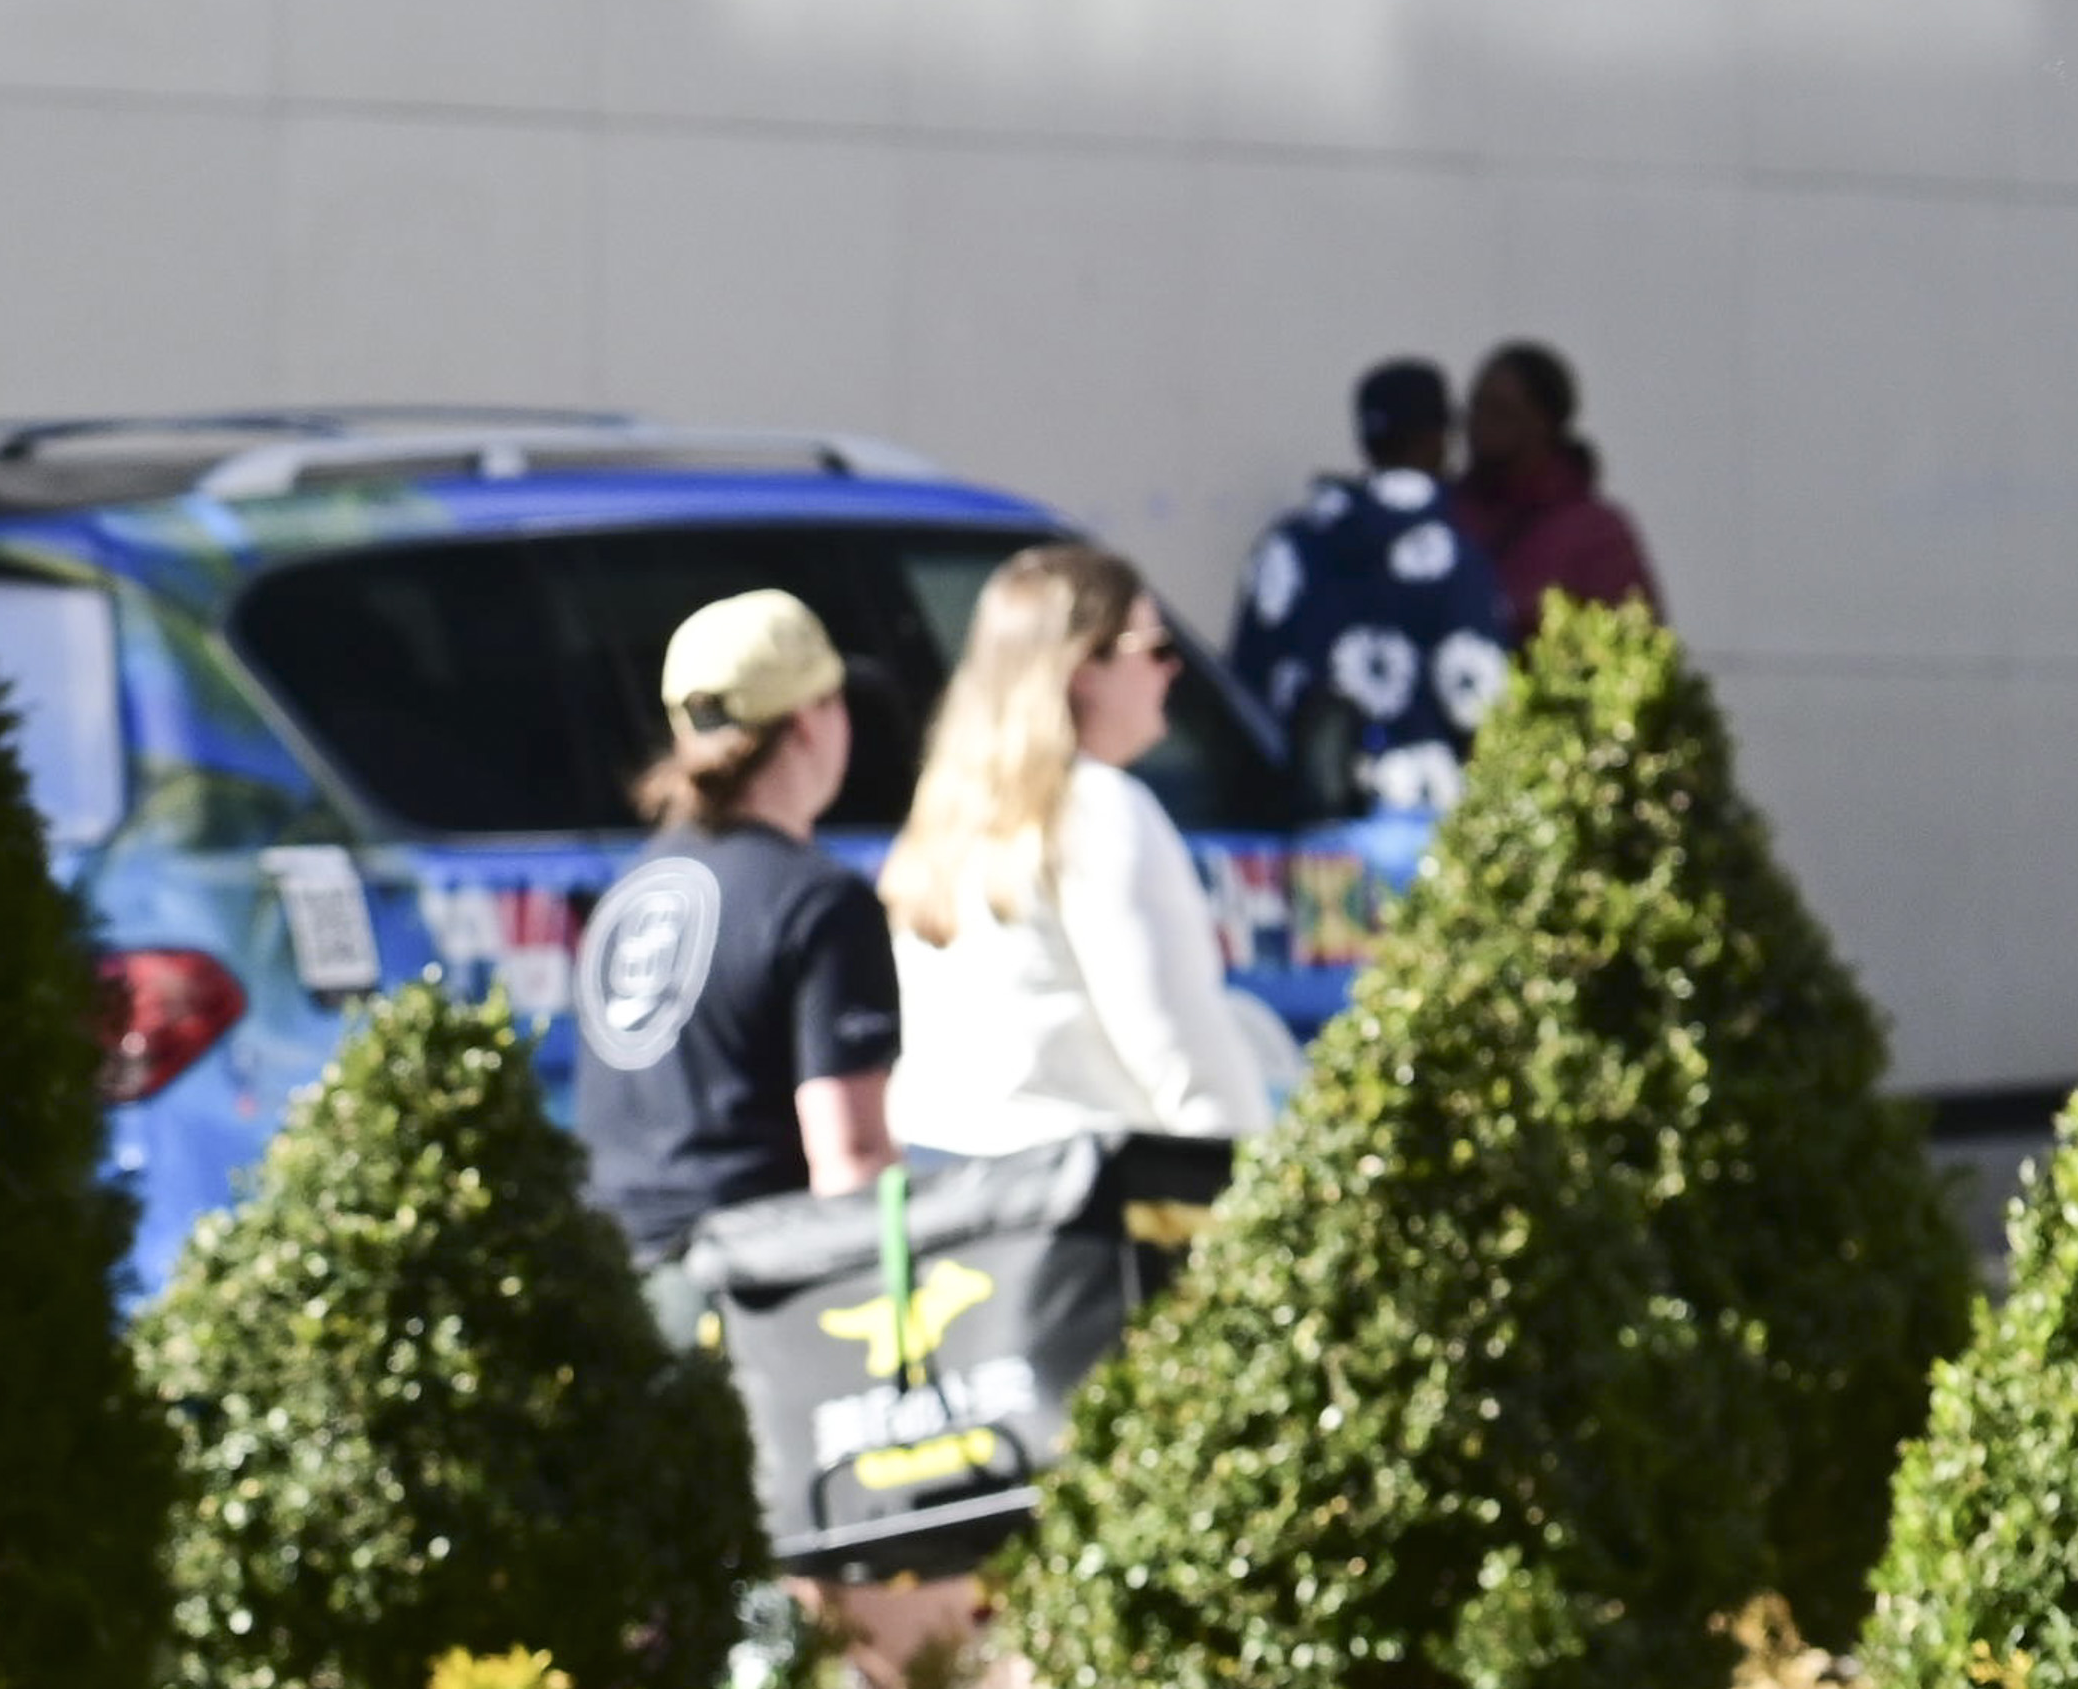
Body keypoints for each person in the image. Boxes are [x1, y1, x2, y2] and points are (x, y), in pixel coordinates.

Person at [880, 543, 1297, 1153]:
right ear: (1082, 667)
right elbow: (1183, 1056)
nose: (1171, 670)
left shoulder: (950, 816)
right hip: (1078, 1189)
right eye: (1155, 647)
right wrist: (1254, 1183)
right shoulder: (1099, 808)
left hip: (954, 1183)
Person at [571, 584, 900, 1252]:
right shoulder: (820, 899)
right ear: (809, 721)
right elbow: (851, 1158)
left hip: (613, 1274)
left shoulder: (628, 890)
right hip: (756, 1279)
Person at [1215, 356, 1516, 813]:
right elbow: (1480, 704)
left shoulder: (1288, 547)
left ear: (1364, 439)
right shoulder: (1455, 556)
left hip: (1300, 824)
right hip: (1421, 823)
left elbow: (1242, 692)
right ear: (1441, 436)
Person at [1456, 339, 1662, 627]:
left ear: (1543, 422)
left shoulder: (1595, 537)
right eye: (1476, 409)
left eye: (1500, 412)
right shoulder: (1448, 515)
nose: (1480, 425)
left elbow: (1632, 638)